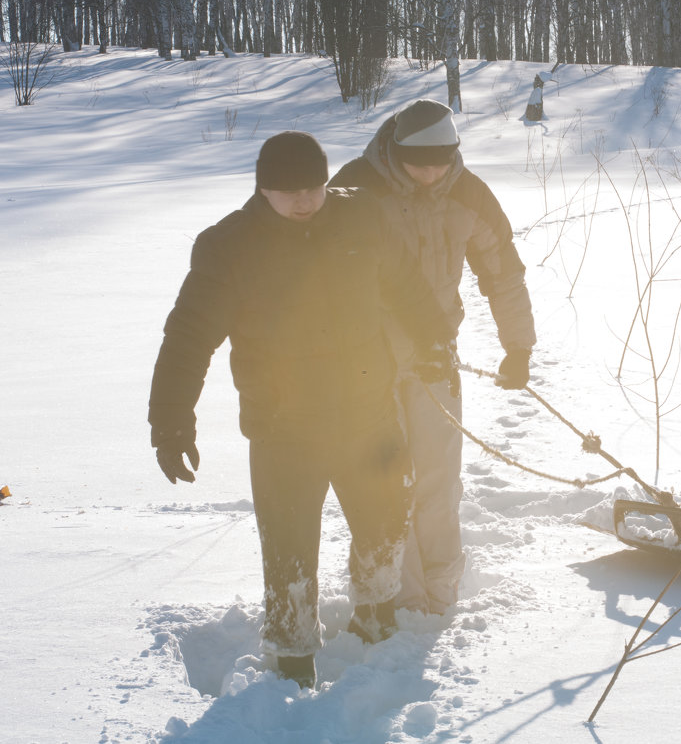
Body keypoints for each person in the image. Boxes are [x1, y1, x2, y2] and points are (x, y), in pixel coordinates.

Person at [148, 131, 453, 688]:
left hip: (368, 413)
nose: (305, 200)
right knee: (288, 547)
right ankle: (292, 658)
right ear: (262, 188)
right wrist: (171, 420)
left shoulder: (362, 219)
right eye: (289, 192)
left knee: (385, 522)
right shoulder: (230, 246)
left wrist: (435, 341)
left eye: (314, 187)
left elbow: (408, 286)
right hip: (284, 426)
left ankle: (376, 614)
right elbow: (188, 338)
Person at [329, 99, 536, 615]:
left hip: (435, 355)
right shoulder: (356, 187)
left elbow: (503, 272)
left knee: (438, 475)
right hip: (365, 362)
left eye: (441, 162)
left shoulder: (468, 193)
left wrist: (519, 348)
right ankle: (393, 596)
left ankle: (440, 591)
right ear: (396, 153)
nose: (431, 173)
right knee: (382, 480)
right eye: (419, 163)